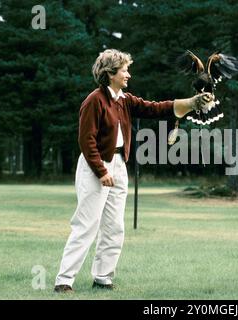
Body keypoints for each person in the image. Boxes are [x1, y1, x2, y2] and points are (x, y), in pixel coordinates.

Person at [54, 49, 212, 293]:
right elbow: (87, 141)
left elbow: (155, 108)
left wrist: (191, 103)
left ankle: (103, 278)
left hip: (118, 165)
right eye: (124, 70)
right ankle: (64, 281)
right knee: (86, 224)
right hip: (97, 166)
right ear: (110, 73)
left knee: (115, 226)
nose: (128, 74)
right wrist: (100, 170)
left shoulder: (124, 100)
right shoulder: (94, 100)